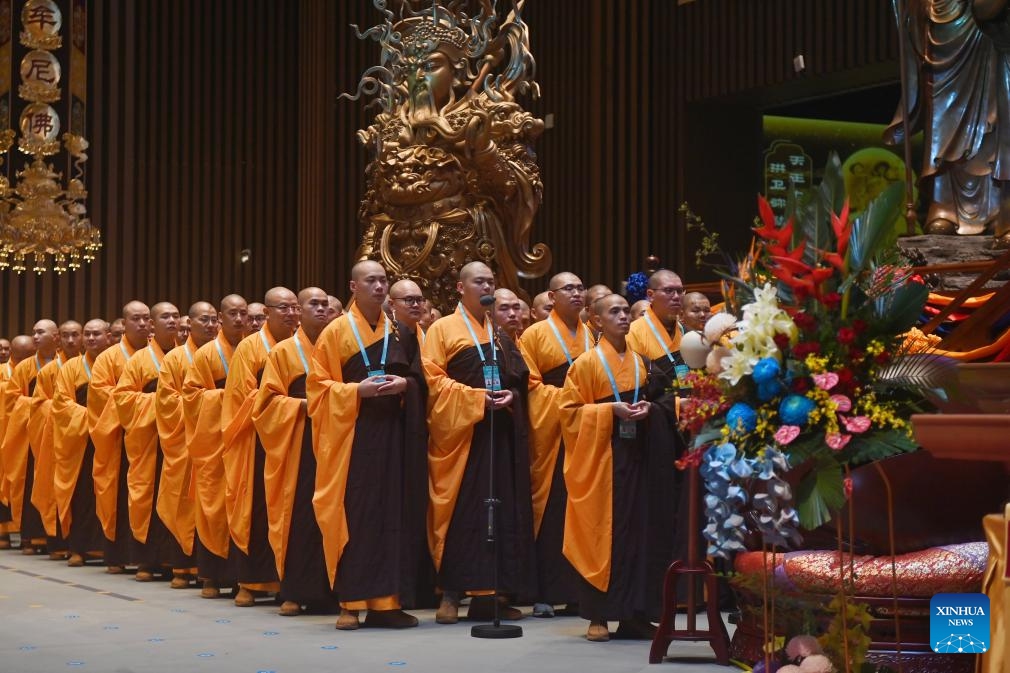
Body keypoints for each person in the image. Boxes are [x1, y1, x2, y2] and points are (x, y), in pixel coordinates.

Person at [349, 6, 550, 312]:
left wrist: (483, 151)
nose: (419, 77)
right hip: (389, 244)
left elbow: (515, 190)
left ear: (457, 71)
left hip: (460, 242)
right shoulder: (389, 126)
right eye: (410, 68)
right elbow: (373, 201)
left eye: (430, 66)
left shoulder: (486, 117)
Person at [306, 263, 428, 629]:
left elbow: (423, 379)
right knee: (356, 516)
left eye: (383, 280)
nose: (378, 287)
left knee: (394, 516)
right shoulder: (336, 332)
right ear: (353, 286)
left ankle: (387, 603)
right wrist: (356, 390)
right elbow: (317, 390)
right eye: (370, 281)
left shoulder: (403, 331)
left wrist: (406, 387)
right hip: (354, 438)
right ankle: (350, 603)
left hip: (394, 434)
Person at [422, 261, 535, 624]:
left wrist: (511, 397)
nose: (486, 286)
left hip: (496, 433)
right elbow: (432, 381)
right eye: (479, 281)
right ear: (460, 287)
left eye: (491, 280)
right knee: (463, 510)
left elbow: (520, 378)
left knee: (500, 509)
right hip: (462, 436)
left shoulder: (501, 333)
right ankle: (451, 593)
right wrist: (473, 399)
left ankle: (491, 596)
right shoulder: (442, 329)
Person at [559, 293, 676, 642]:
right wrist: (610, 411)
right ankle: (598, 616)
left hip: (638, 457)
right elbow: (568, 413)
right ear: (596, 320)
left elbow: (661, 402)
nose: (623, 316)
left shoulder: (643, 362)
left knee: (639, 533)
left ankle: (635, 614)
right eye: (614, 311)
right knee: (602, 534)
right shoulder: (587, 364)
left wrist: (649, 411)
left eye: (626, 310)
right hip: (603, 460)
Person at [887, 0, 1010, 244]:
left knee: (996, 113)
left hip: (988, 24)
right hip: (944, 16)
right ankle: (944, 206)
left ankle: (1002, 211)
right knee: (942, 120)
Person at [253, 287, 337, 617]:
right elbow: (266, 405)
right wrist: (305, 405)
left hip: (335, 441)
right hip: (300, 442)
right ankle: (293, 590)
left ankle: (334, 589)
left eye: (324, 304)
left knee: (333, 516)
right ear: (298, 311)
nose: (320, 309)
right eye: (312, 304)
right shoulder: (284, 352)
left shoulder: (338, 347)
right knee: (300, 517)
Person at [517, 272, 592, 618]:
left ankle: (579, 592)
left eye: (580, 288)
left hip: (587, 432)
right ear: (552, 295)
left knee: (583, 510)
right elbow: (530, 387)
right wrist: (571, 402)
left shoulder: (591, 333)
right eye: (568, 289)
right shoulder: (534, 334)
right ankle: (546, 591)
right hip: (554, 432)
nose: (576, 294)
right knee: (552, 509)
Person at [222, 288, 300, 605]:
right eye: (284, 307)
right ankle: (251, 581)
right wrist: (278, 401)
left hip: (294, 436)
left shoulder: (302, 346)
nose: (291, 313)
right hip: (257, 441)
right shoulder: (249, 349)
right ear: (267, 312)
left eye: (295, 307)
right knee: (258, 509)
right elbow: (239, 400)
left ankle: (289, 579)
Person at [114, 302, 194, 583]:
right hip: (151, 442)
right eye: (165, 316)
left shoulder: (188, 356)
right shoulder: (138, 361)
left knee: (180, 498)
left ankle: (179, 560)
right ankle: (147, 560)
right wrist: (160, 403)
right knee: (146, 498)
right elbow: (123, 399)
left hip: (181, 440)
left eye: (175, 315)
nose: (172, 320)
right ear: (152, 323)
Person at [183, 294, 248, 599]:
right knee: (214, 505)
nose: (238, 319)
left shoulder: (255, 349)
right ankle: (211, 576)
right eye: (232, 314)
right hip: (216, 442)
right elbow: (192, 398)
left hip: (247, 437)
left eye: (243, 313)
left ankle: (241, 576)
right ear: (222, 318)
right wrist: (229, 397)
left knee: (243, 504)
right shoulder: (207, 354)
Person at [155, 302, 218, 588]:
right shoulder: (175, 359)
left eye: (213, 319)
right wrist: (209, 402)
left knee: (213, 503)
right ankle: (182, 566)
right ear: (190, 323)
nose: (209, 325)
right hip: (184, 443)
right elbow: (167, 403)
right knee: (182, 501)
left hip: (217, 441)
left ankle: (209, 568)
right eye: (203, 320)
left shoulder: (226, 354)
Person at [90, 302, 152, 573]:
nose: (141, 324)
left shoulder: (164, 354)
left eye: (145, 319)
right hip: (119, 436)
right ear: (124, 324)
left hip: (151, 436)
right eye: (135, 319)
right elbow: (100, 394)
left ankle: (146, 556)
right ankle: (117, 555)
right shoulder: (108, 357)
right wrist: (138, 402)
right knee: (119, 496)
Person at [52, 319, 111, 567]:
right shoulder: (71, 368)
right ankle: (79, 548)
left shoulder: (116, 363)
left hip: (110, 439)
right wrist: (94, 419)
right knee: (82, 495)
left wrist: (106, 423)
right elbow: (61, 404)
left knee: (109, 494)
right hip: (82, 442)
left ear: (108, 336)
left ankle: (109, 549)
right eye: (88, 334)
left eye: (97, 334)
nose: (91, 338)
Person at [2, 320, 60, 555]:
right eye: (33, 332)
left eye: (40, 332)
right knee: (30, 484)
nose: (35, 336)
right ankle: (32, 535)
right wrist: (40, 406)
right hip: (30, 435)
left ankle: (54, 536)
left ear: (55, 337)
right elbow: (11, 401)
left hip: (58, 435)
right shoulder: (26, 367)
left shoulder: (65, 364)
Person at [29, 320, 83, 559]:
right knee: (55, 489)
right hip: (56, 440)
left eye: (75, 335)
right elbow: (37, 406)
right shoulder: (49, 371)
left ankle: (81, 544)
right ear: (58, 339)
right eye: (66, 336)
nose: (71, 341)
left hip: (84, 437)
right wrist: (66, 410)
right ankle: (59, 541)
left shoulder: (94, 365)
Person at [627, 270, 688, 392]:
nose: (676, 296)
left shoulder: (684, 330)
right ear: (650, 295)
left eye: (680, 291)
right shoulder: (633, 333)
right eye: (669, 291)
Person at [0, 335, 34, 549]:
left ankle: (26, 532)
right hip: (4, 431)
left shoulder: (38, 369)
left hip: (29, 432)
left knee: (26, 481)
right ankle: (3, 530)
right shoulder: (3, 372)